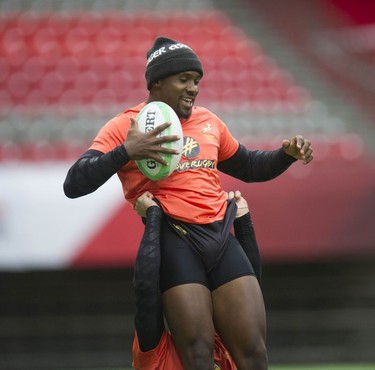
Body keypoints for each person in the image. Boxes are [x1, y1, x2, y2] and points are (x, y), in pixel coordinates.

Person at [63, 36, 313, 370]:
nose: (193, 88)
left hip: (221, 235)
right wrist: (128, 150)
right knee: (197, 353)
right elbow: (74, 183)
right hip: (174, 239)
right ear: (157, 82)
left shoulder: (209, 120)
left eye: (196, 81)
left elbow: (249, 165)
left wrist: (285, 156)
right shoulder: (126, 125)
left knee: (253, 353)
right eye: (184, 79)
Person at [132, 191, 251, 369]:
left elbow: (247, 294)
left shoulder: (220, 347)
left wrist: (243, 220)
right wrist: (153, 218)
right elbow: (145, 291)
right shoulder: (160, 355)